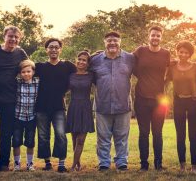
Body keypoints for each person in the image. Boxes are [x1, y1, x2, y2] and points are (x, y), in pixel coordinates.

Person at [90, 31, 134, 171]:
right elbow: (83, 69)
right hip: (102, 105)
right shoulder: (95, 60)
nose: (112, 43)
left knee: (122, 136)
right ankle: (104, 162)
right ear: (105, 43)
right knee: (103, 137)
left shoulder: (130, 58)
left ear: (120, 42)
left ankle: (121, 161)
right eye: (109, 40)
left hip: (123, 104)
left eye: (115, 40)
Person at [35, 38, 76, 172]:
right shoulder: (39, 67)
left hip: (59, 106)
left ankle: (61, 163)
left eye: (56, 47)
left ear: (60, 49)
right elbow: (24, 71)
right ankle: (47, 162)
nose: (53, 49)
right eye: (51, 47)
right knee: (43, 135)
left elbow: (81, 72)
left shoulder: (68, 66)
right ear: (46, 50)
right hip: (41, 107)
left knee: (60, 134)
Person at [133, 25, 170, 171]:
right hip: (141, 98)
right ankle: (144, 164)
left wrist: (164, 83)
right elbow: (128, 61)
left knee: (157, 132)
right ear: (149, 36)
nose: (155, 38)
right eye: (153, 35)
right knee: (143, 133)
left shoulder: (166, 53)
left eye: (158, 36)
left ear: (161, 38)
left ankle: (158, 163)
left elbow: (171, 70)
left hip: (159, 100)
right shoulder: (140, 51)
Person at [165, 41, 196, 172]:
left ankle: (193, 165)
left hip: (193, 102)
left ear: (190, 54)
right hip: (178, 102)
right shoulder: (172, 67)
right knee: (180, 135)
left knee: (193, 135)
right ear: (177, 52)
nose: (183, 54)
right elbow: (166, 80)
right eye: (181, 51)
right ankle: (182, 165)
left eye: (186, 52)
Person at [0, 25, 28, 171]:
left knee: (5, 133)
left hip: (10, 99)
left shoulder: (20, 53)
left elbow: (29, 67)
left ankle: (3, 163)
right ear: (4, 36)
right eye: (10, 36)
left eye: (16, 37)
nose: (13, 39)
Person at [66, 51, 94, 171]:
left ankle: (73, 166)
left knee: (81, 139)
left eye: (84, 60)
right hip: (73, 106)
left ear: (88, 63)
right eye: (79, 59)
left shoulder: (91, 75)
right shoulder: (70, 75)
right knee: (74, 137)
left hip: (85, 107)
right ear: (76, 60)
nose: (81, 62)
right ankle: (77, 163)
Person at [12, 60, 39, 172]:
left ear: (33, 72)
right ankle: (17, 164)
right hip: (18, 116)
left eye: (28, 71)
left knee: (30, 142)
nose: (26, 74)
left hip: (32, 117)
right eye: (23, 72)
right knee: (16, 141)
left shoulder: (38, 83)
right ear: (20, 73)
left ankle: (29, 164)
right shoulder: (17, 82)